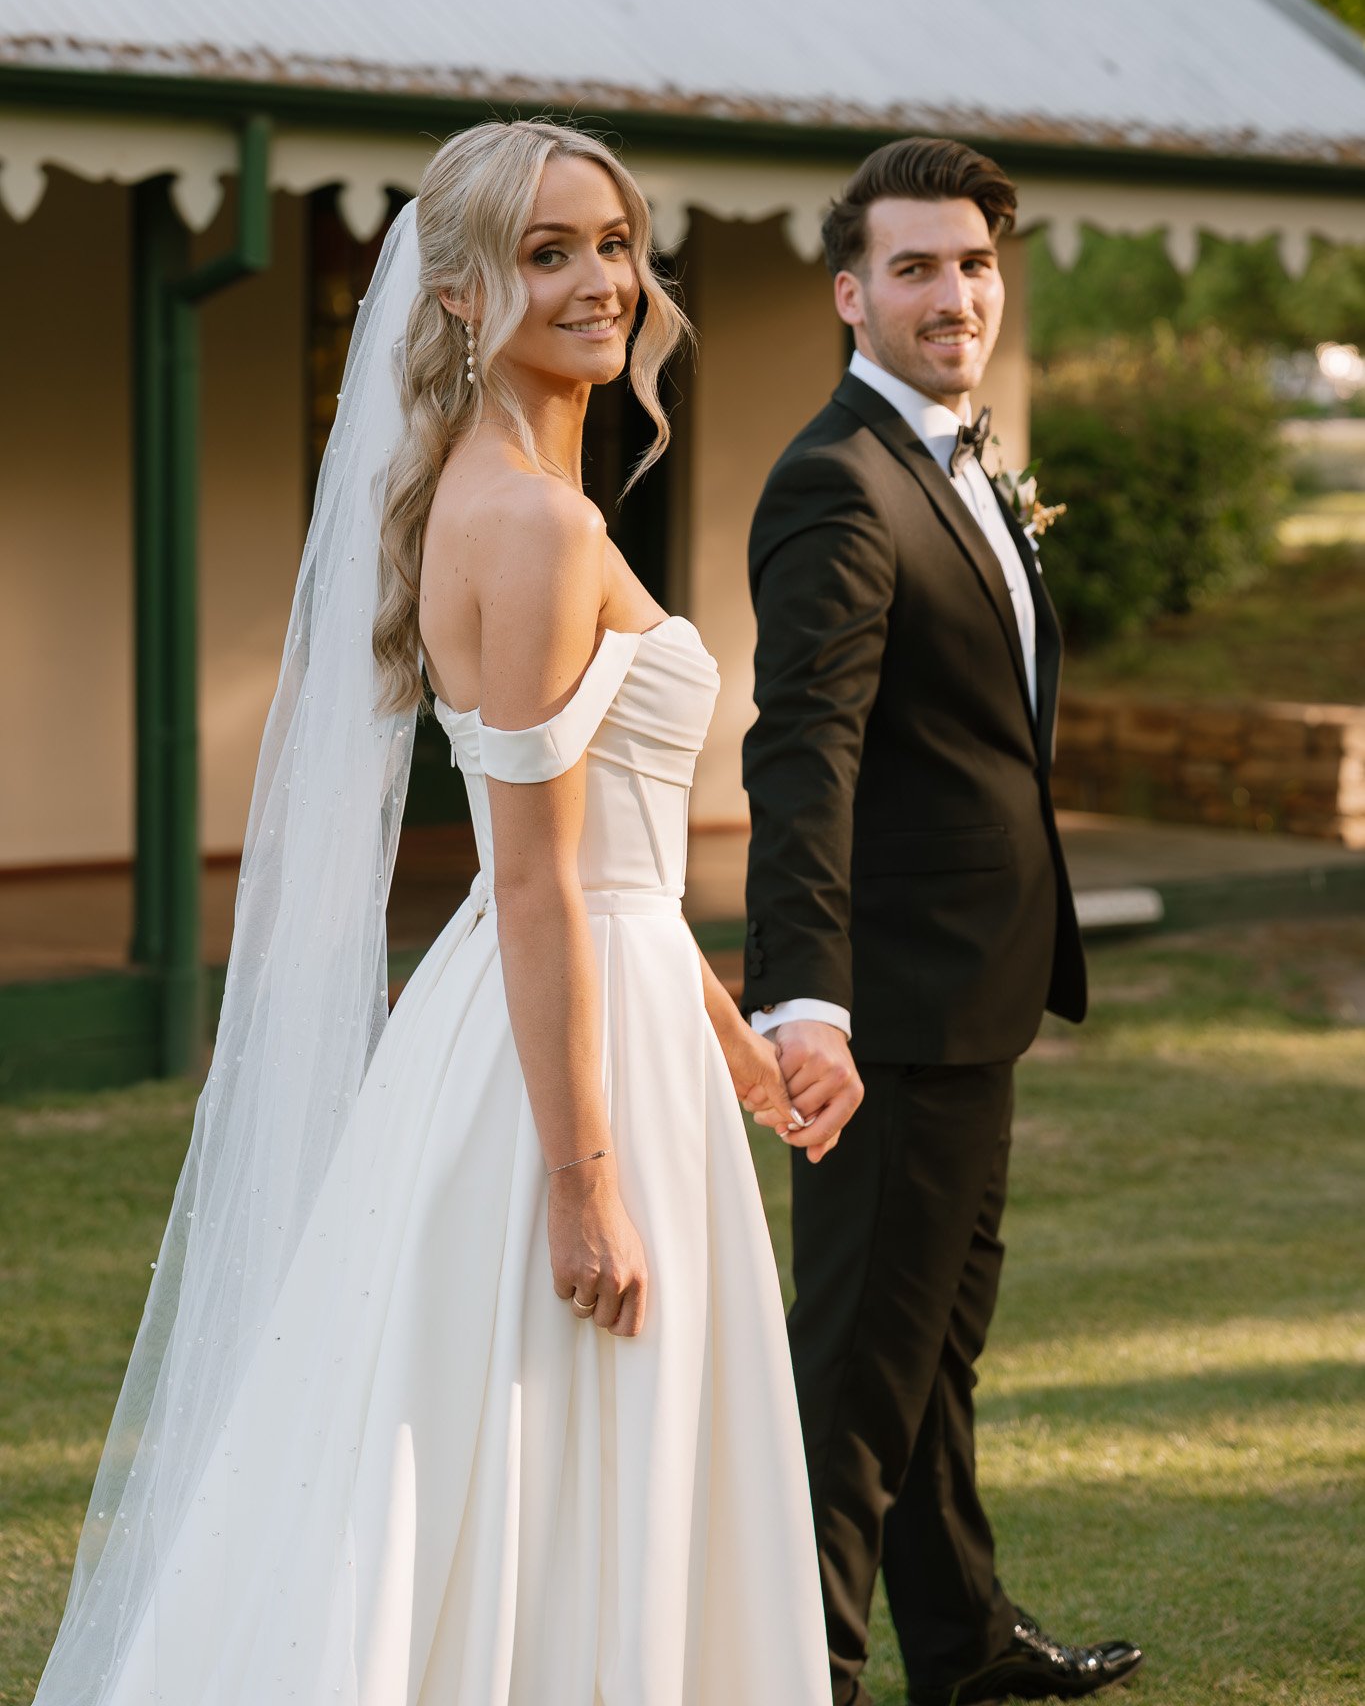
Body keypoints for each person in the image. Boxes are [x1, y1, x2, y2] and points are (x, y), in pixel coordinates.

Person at [34, 120, 832, 1706]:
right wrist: (581, 1180)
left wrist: (734, 1043)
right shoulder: (532, 524)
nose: (601, 280)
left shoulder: (511, 490)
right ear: (461, 295)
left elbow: (606, 863)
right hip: (561, 1062)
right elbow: (533, 874)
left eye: (612, 242)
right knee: (547, 1442)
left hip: (607, 999)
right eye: (549, 253)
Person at [741, 138, 1143, 1706]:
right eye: (912, 267)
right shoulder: (835, 481)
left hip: (974, 990)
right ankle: (801, 1676)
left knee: (931, 1361)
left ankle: (963, 1647)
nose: (951, 292)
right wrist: (807, 1003)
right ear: (850, 295)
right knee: (853, 1378)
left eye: (971, 263)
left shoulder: (964, 459)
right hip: (887, 1012)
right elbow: (803, 752)